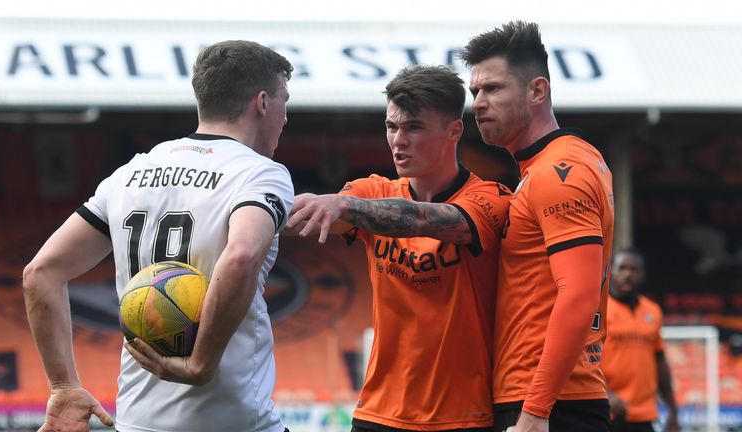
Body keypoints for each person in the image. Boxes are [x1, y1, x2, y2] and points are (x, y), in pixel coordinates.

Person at [22, 40, 294, 432]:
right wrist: (201, 362)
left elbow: (41, 273)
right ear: (263, 102)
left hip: (136, 423)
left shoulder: (130, 173)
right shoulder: (258, 174)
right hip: (234, 424)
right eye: (285, 102)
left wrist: (63, 386)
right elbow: (240, 256)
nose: (286, 119)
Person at [288, 65, 514, 431]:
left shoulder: (491, 199)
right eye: (392, 127)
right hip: (379, 413)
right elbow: (307, 217)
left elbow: (424, 219)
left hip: (463, 418)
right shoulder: (373, 190)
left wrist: (343, 205)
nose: (398, 140)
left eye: (414, 127)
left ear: (454, 130)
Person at [458, 21, 615, 432]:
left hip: (550, 404)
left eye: (492, 89)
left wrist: (536, 412)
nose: (477, 103)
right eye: (475, 91)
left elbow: (578, 294)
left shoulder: (559, 172)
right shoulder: (562, 164)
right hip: (550, 398)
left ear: (537, 91)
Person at [601, 248, 680, 432]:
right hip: (608, 412)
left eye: (633, 269)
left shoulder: (653, 311)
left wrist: (673, 411)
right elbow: (585, 360)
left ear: (642, 274)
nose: (627, 274)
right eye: (622, 268)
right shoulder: (600, 309)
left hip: (644, 415)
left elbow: (659, 362)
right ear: (612, 271)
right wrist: (606, 395)